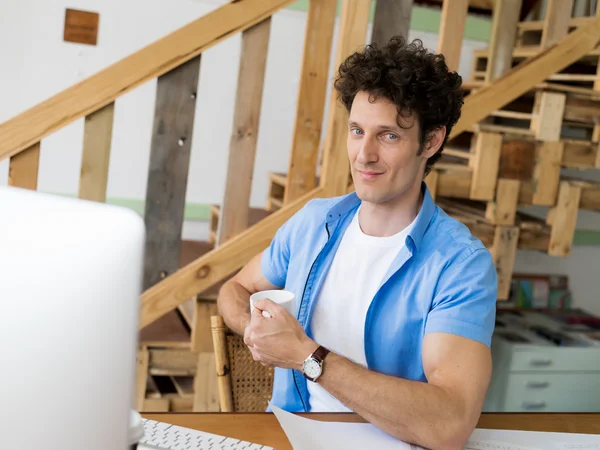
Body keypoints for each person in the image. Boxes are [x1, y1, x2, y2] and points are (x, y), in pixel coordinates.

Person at [217, 36, 497, 450]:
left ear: (431, 141)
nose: (363, 155)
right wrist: (254, 330)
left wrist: (307, 358)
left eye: (387, 136)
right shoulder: (315, 222)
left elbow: (449, 423)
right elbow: (235, 288)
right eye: (356, 131)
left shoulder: (460, 265)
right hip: (287, 435)